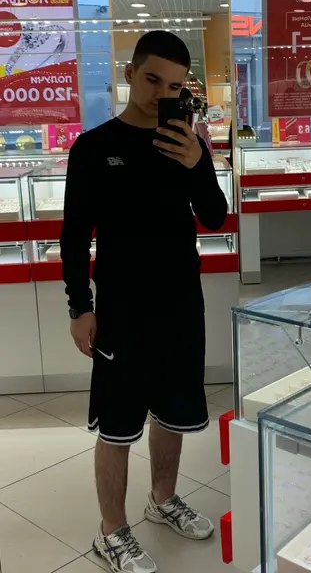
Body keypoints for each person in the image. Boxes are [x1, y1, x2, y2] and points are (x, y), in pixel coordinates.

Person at [60, 30, 228, 573]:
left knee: (173, 414)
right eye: (153, 79)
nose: (162, 93)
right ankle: (111, 532)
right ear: (131, 74)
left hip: (182, 305)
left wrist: (197, 162)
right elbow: (73, 236)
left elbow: (215, 216)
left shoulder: (185, 144)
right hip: (121, 312)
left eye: (174, 86)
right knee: (117, 427)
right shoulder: (92, 148)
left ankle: (163, 499)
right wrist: (79, 306)